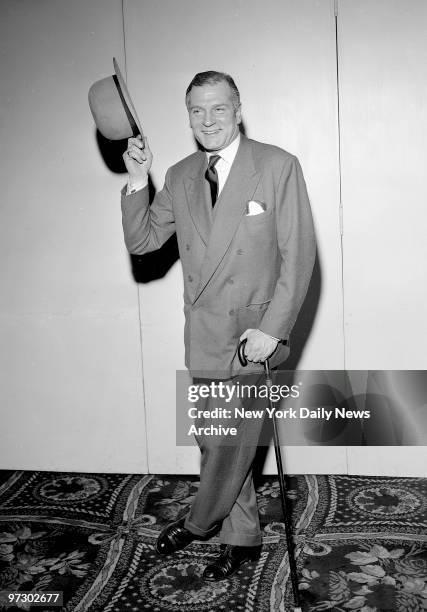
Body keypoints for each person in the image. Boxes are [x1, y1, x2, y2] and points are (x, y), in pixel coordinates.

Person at [121, 71, 316, 580]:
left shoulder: (276, 166)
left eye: (219, 109)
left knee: (231, 444)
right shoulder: (182, 174)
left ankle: (200, 521)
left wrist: (273, 329)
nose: (208, 121)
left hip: (254, 337)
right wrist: (139, 181)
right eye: (196, 111)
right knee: (217, 440)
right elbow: (143, 242)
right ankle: (243, 537)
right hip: (205, 333)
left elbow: (298, 257)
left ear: (238, 108)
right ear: (188, 115)